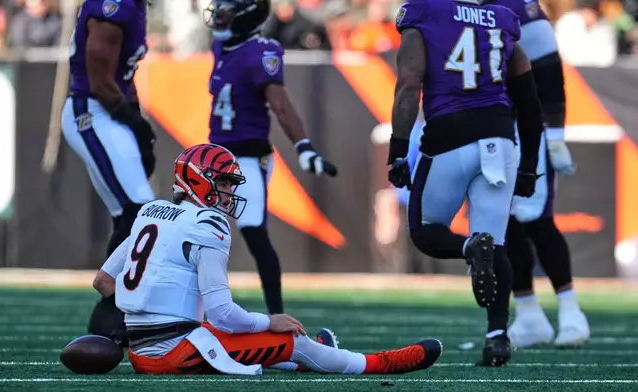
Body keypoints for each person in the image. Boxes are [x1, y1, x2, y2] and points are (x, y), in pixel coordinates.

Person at [92, 143, 443, 375]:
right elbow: (223, 314)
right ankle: (378, 363)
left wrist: (142, 313)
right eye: (224, 183)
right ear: (199, 181)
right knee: (292, 341)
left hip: (141, 353)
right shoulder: (207, 223)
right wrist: (269, 320)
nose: (229, 192)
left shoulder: (151, 212)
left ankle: (315, 354)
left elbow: (104, 281)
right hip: (175, 353)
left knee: (250, 342)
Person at [387, 0, 545, 366]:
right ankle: (497, 337)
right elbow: (530, 102)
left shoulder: (424, 11)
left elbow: (409, 86)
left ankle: (470, 247)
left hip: (450, 135)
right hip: (499, 138)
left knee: (426, 232)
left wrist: (398, 151)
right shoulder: (503, 18)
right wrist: (529, 166)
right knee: (497, 241)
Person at [203, 0, 337, 316]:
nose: (218, 21)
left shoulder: (261, 52)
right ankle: (190, 313)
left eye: (226, 15)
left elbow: (281, 105)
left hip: (247, 159)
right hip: (214, 156)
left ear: (246, 19)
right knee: (196, 234)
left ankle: (278, 315)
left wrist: (304, 146)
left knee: (253, 232)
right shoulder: (222, 49)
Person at [490, 0, 589, 349]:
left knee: (535, 218)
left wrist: (557, 136)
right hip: (482, 127)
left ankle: (570, 309)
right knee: (502, 223)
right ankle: (529, 313)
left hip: (521, 126)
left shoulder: (517, 5)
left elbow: (547, 66)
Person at [61, 0, 156, 346]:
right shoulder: (113, 6)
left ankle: (114, 316)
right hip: (91, 110)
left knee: (129, 213)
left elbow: (121, 78)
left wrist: (136, 119)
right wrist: (134, 123)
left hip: (107, 111)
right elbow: (100, 79)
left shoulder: (134, 7)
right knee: (141, 209)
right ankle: (111, 309)